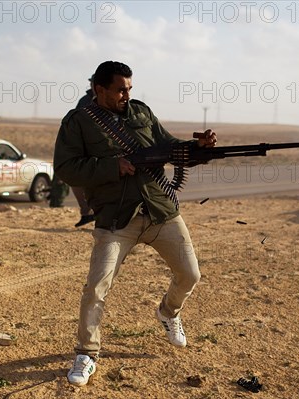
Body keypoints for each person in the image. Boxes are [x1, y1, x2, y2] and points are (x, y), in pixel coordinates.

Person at [54, 61, 217, 387]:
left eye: (129, 88)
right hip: (116, 218)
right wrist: (112, 167)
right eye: (120, 89)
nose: (127, 95)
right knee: (96, 287)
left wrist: (198, 149)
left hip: (160, 210)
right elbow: (66, 168)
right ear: (99, 90)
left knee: (190, 274)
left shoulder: (140, 113)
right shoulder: (78, 122)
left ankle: (168, 312)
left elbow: (170, 147)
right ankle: (87, 353)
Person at [72, 75, 96, 227]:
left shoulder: (111, 99)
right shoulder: (84, 101)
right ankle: (86, 212)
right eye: (92, 82)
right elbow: (75, 121)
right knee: (75, 179)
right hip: (84, 146)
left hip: (102, 148)